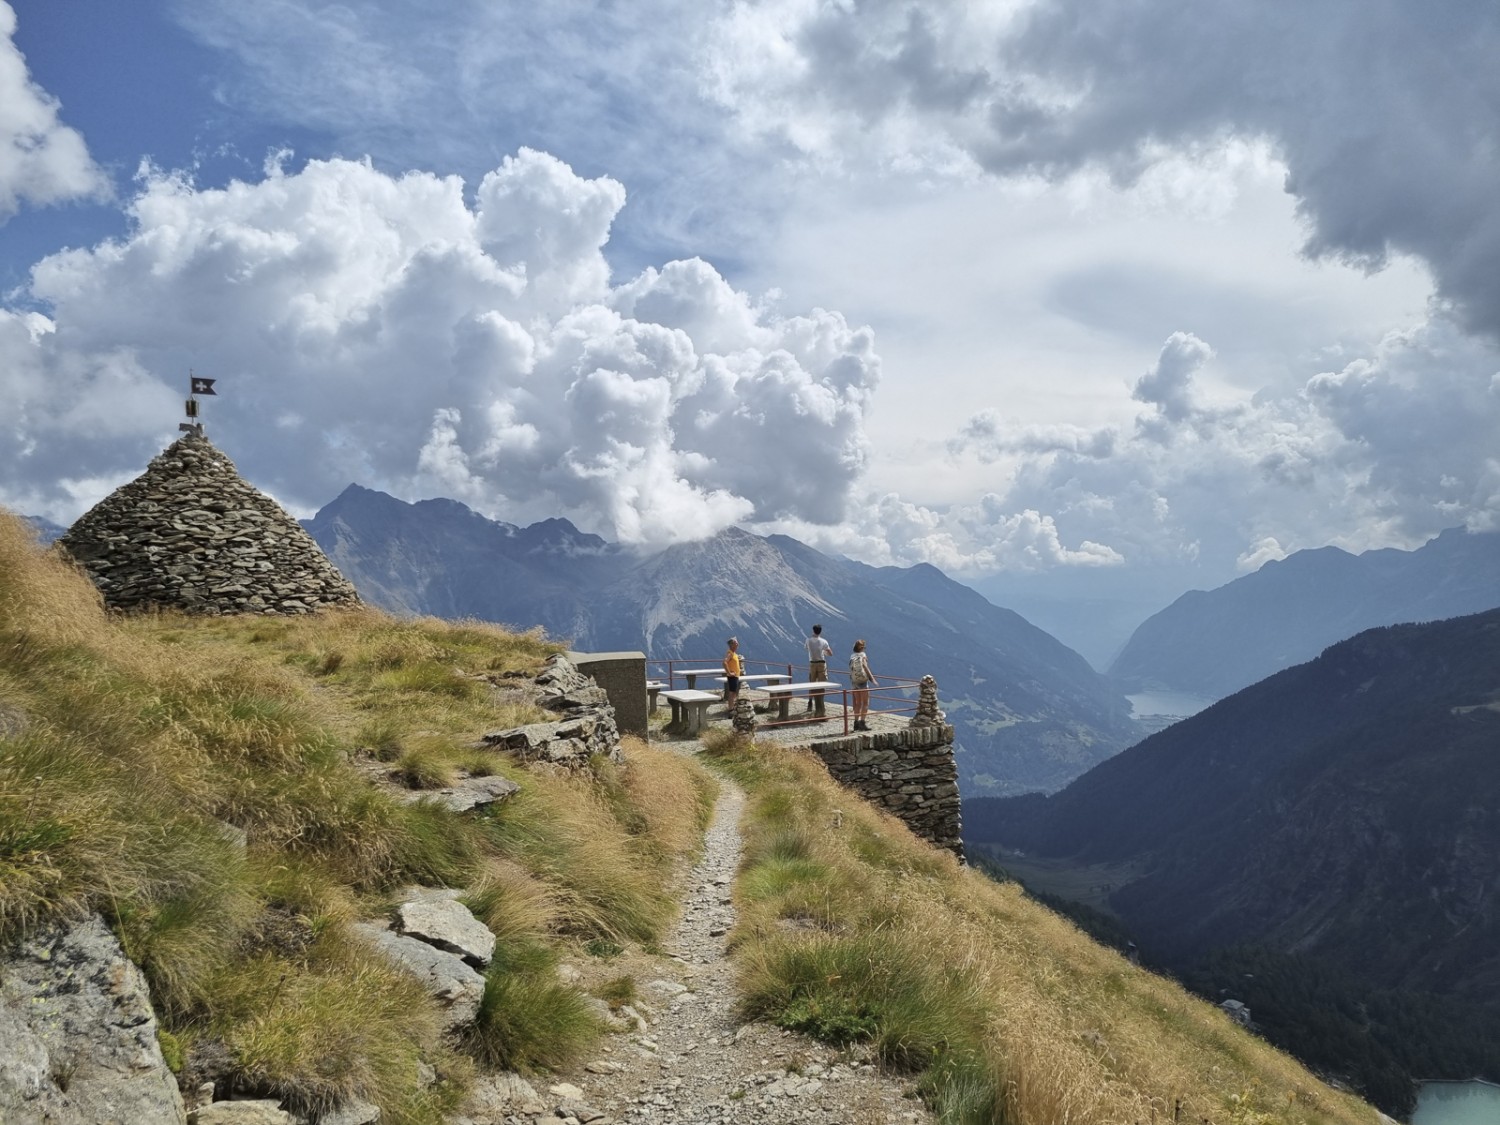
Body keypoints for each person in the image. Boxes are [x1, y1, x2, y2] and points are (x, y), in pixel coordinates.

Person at [805, 623, 832, 715]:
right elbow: (830, 653)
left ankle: (810, 702)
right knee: (822, 683)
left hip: (812, 663)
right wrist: (824, 652)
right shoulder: (824, 641)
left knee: (812, 683)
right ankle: (821, 704)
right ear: (820, 632)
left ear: (813, 631)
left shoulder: (808, 640)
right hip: (821, 663)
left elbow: (807, 649)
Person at [849, 639, 876, 730]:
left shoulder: (852, 656)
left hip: (854, 681)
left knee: (857, 703)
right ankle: (862, 723)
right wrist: (872, 679)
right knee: (865, 703)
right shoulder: (863, 655)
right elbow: (865, 666)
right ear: (862, 648)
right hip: (863, 682)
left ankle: (855, 723)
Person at [723, 637, 744, 714]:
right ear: (732, 645)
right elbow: (725, 662)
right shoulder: (730, 653)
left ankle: (732, 707)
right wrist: (729, 673)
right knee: (732, 693)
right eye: (736, 643)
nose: (737, 644)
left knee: (734, 692)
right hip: (732, 676)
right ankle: (731, 710)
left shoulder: (734, 654)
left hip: (736, 676)